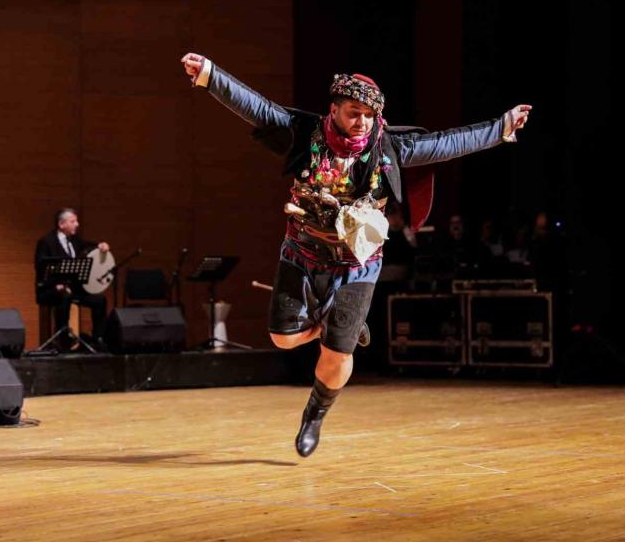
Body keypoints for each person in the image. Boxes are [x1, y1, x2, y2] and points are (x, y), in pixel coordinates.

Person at [181, 52, 531, 457]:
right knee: (282, 338)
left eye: (368, 114)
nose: (362, 121)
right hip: (303, 252)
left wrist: (502, 127)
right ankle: (336, 323)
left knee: (337, 353)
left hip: (357, 265)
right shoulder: (304, 133)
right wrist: (210, 74)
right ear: (334, 110)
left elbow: (449, 142)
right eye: (353, 113)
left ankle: (314, 415)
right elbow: (255, 107)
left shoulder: (390, 147)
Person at [34, 208, 110, 346]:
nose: (77, 224)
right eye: (73, 221)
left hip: (73, 288)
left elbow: (87, 245)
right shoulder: (46, 241)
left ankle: (98, 338)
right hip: (50, 289)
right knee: (65, 296)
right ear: (61, 224)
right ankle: (63, 337)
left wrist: (100, 245)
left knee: (100, 300)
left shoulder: (75, 240)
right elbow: (40, 266)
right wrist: (55, 284)